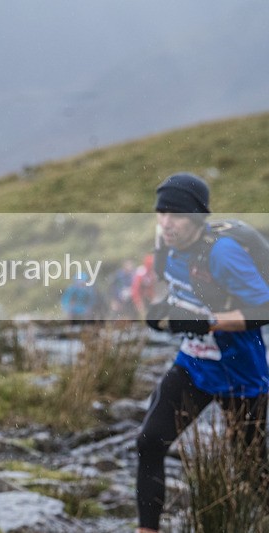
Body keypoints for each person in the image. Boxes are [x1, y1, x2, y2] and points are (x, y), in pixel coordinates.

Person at [135, 173, 269, 533]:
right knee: (149, 443)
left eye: (175, 215)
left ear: (196, 218)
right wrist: (164, 310)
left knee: (253, 469)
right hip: (193, 366)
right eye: (161, 213)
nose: (165, 223)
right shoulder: (165, 245)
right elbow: (184, 289)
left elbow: (264, 309)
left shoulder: (223, 253)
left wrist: (207, 322)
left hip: (241, 373)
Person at [130, 254, 157, 319]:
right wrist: (138, 302)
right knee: (138, 315)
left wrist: (152, 298)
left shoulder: (152, 273)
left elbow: (151, 287)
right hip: (137, 296)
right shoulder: (141, 272)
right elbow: (135, 289)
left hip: (147, 297)